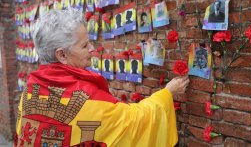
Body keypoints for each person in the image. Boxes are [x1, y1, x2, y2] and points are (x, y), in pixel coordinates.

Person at [15, 9, 189, 147]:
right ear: (62, 55)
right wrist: (167, 94)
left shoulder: (30, 91)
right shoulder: (86, 97)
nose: (93, 49)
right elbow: (133, 122)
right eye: (84, 45)